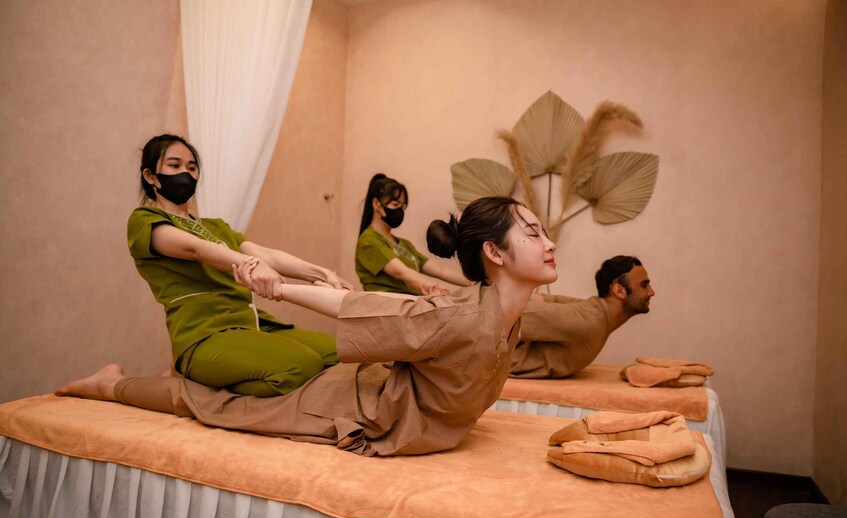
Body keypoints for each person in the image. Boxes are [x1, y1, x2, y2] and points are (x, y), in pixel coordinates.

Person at [56, 196, 558, 456]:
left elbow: (386, 304)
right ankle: (109, 385)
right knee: (218, 405)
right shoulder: (151, 224)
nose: (550, 242)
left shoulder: (492, 316)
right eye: (534, 233)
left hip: (294, 345)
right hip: (337, 399)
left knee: (318, 355)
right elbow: (354, 306)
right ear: (494, 253)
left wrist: (301, 273)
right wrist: (276, 287)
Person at [127, 134, 352, 397]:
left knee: (342, 356)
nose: (185, 173)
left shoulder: (216, 226)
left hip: (253, 324)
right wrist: (251, 265)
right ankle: (196, 388)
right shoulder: (144, 220)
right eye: (174, 165)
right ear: (151, 176)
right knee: (301, 366)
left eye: (192, 167)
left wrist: (322, 273)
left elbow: (266, 254)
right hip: (204, 334)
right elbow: (196, 249)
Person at [510, 255, 655, 379]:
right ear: (619, 291)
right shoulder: (587, 321)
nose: (651, 292)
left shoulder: (594, 314)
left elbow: (547, 300)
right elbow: (511, 312)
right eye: (644, 285)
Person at [355, 173, 470, 295]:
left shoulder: (404, 244)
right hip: (388, 303)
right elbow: (401, 272)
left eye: (402, 206)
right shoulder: (368, 241)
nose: (400, 210)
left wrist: (473, 282)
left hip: (411, 302)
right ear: (377, 204)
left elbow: (439, 270)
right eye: (395, 204)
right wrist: (432, 287)